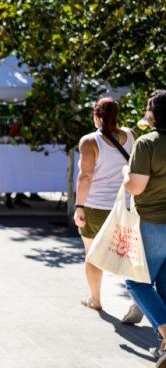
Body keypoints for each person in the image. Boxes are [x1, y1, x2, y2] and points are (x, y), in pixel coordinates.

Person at [74, 97, 135, 312]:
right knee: (129, 256)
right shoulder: (131, 135)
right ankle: (136, 300)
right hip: (125, 207)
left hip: (96, 207)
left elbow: (85, 176)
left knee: (92, 255)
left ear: (97, 115)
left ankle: (95, 299)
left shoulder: (89, 141)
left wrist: (79, 206)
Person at [123, 90, 166, 368]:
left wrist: (125, 175)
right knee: (164, 286)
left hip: (152, 222)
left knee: (136, 282)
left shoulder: (147, 143)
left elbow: (136, 187)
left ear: (155, 113)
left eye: (148, 108)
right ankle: (164, 346)